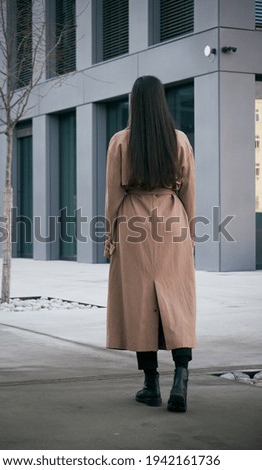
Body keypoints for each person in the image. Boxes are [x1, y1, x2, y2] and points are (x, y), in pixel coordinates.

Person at [104, 75, 196, 413]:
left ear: (134, 102)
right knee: (177, 300)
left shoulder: (121, 141)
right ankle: (181, 378)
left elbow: (113, 194)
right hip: (173, 222)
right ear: (161, 102)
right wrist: (190, 235)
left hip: (133, 223)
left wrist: (110, 235)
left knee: (139, 301)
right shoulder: (180, 140)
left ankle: (150, 385)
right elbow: (188, 191)